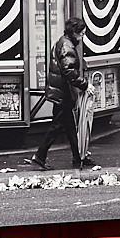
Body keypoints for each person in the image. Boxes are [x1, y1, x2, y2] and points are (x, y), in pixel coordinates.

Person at [29, 18, 96, 171]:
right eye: (81, 34)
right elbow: (69, 71)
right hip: (62, 93)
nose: (82, 37)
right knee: (58, 125)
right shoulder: (67, 45)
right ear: (74, 33)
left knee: (69, 125)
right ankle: (40, 155)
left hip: (60, 91)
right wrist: (85, 85)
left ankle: (78, 156)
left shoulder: (64, 42)